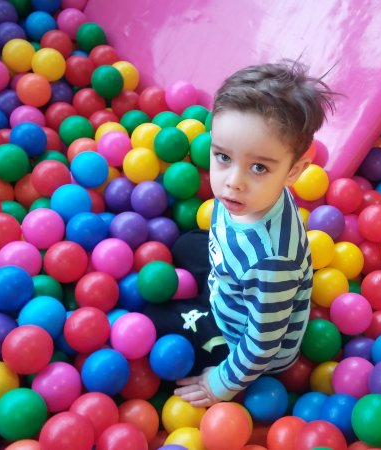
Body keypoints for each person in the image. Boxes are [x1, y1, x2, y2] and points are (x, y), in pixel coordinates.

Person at [144, 60, 336, 407]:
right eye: (222, 157)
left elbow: (263, 343)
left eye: (258, 167)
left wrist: (223, 382)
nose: (233, 181)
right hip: (231, 278)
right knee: (184, 244)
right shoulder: (250, 196)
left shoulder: (272, 263)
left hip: (242, 343)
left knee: (151, 320)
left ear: (294, 172)